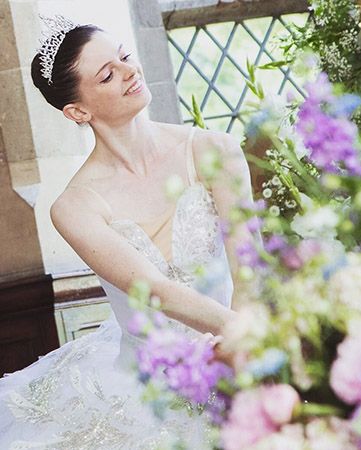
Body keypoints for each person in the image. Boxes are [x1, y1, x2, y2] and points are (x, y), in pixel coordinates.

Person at [0, 15, 258, 449]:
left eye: (125, 57)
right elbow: (155, 289)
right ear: (78, 110)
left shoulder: (215, 150)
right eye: (107, 74)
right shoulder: (73, 206)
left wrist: (245, 343)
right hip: (143, 387)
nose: (129, 71)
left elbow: (248, 262)